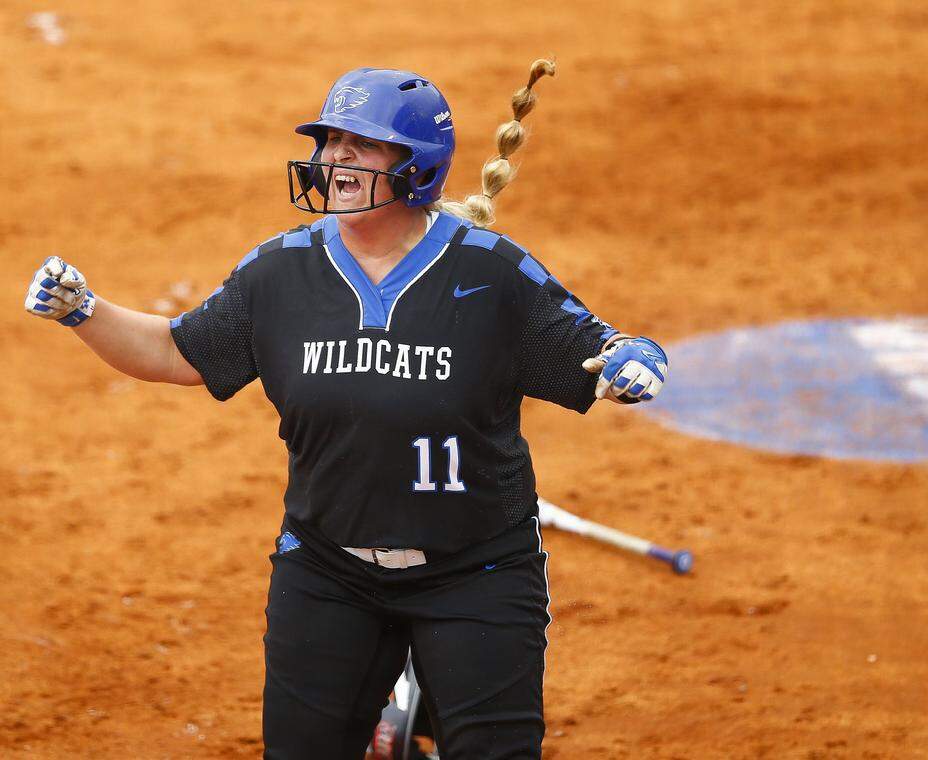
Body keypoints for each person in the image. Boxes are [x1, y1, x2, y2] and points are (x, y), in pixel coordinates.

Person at [23, 59, 668, 759]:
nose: (333, 159)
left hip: (476, 572)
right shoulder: (280, 272)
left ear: (415, 167)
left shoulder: (490, 274)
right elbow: (178, 352)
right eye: (329, 142)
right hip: (328, 572)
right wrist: (84, 312)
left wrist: (632, 361)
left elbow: (598, 349)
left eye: (358, 146)